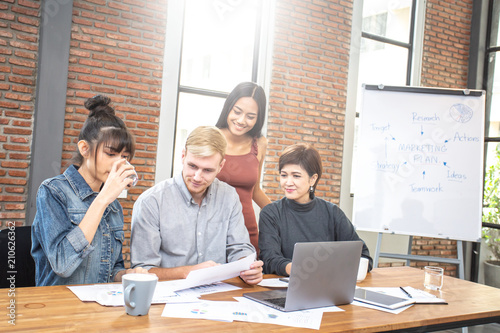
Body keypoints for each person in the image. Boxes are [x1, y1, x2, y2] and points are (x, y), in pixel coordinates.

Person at [31, 95, 149, 286]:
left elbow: (111, 270)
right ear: (84, 149)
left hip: (97, 307)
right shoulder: (53, 192)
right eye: (110, 154)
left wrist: (128, 274)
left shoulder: (114, 206)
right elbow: (62, 264)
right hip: (57, 308)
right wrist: (102, 200)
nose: (119, 163)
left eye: (124, 156)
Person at [130, 126, 263, 284]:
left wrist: (248, 267)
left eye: (207, 170)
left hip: (218, 294)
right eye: (192, 166)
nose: (197, 177)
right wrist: (187, 272)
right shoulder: (151, 202)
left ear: (221, 166)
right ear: (183, 156)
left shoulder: (229, 197)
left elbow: (240, 248)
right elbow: (143, 270)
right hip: (167, 297)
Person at [258, 143, 373, 276]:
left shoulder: (332, 213)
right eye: (284, 175)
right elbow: (269, 260)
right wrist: (303, 270)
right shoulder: (271, 213)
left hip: (328, 286)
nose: (288, 182)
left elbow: (363, 256)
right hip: (286, 287)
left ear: (313, 179)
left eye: (296, 176)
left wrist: (329, 270)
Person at [215, 82, 271, 251]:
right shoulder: (210, 137)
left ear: (258, 118)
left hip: (247, 230)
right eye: (237, 112)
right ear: (229, 107)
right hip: (212, 230)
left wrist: (284, 214)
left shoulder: (260, 144)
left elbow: (255, 191)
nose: (241, 120)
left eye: (250, 116)